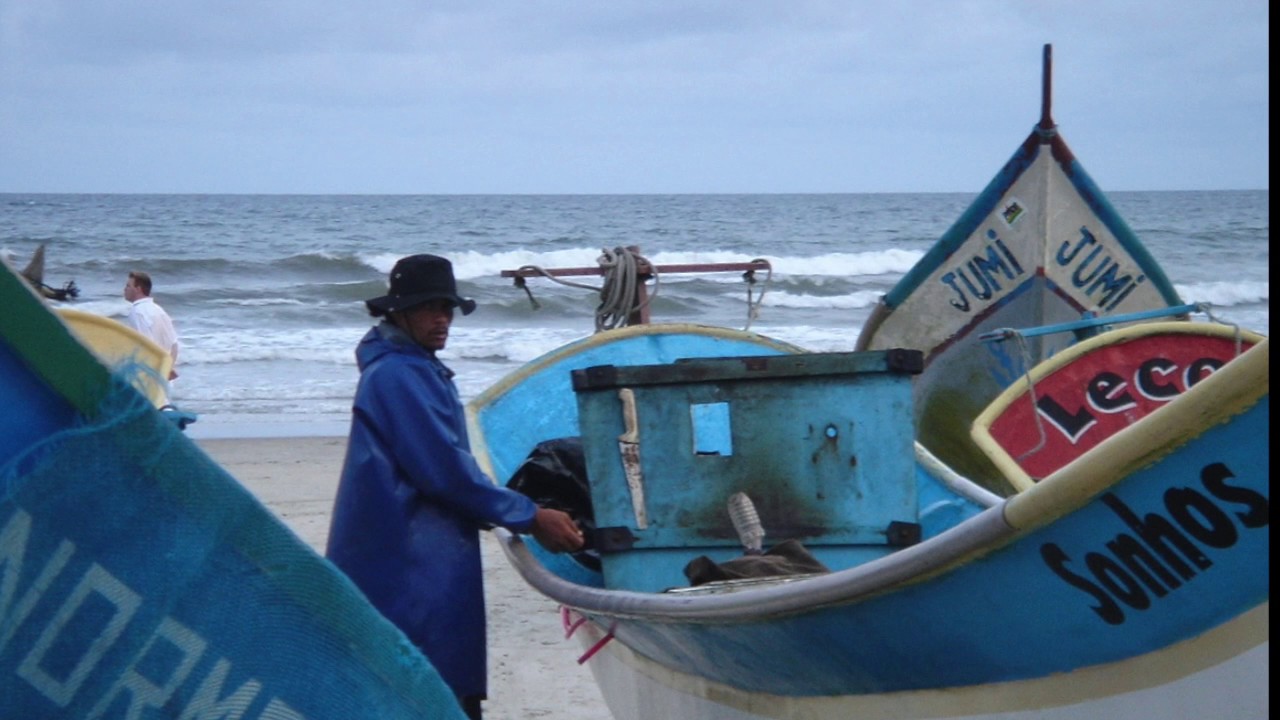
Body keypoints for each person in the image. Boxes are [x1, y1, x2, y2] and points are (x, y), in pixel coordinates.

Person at [325, 254, 583, 720]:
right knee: (429, 688)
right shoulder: (398, 375)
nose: (442, 318)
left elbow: (448, 468)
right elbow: (443, 471)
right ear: (397, 312)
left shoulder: (412, 367)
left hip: (413, 551)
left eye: (447, 308)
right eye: (429, 308)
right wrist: (528, 515)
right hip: (407, 559)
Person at [123, 270, 180, 381]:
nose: (125, 289)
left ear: (138, 289)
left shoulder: (137, 311)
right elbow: (174, 345)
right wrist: (169, 369)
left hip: (149, 377)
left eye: (128, 286)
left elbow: (145, 345)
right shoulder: (159, 310)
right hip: (163, 374)